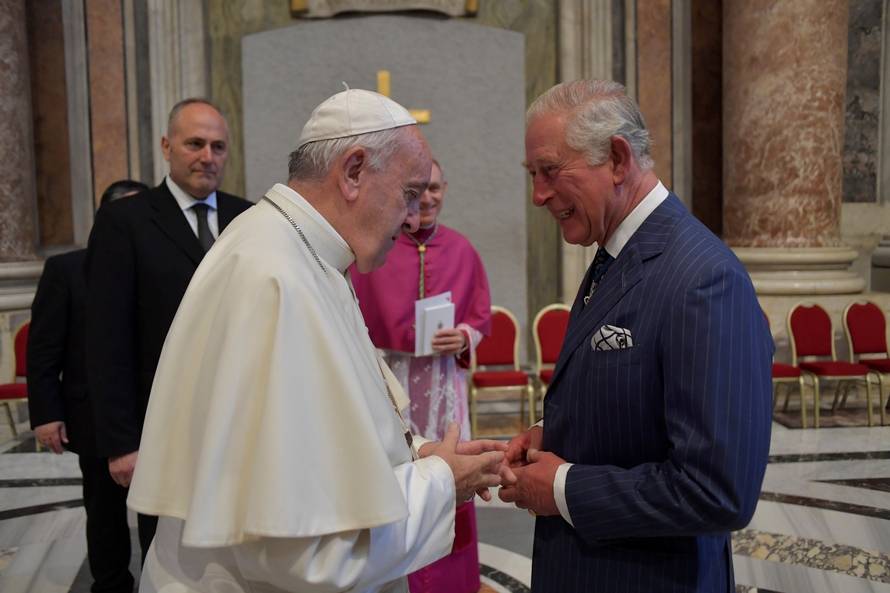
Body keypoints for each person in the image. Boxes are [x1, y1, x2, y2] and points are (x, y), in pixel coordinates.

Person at [126, 88, 505, 593]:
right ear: (353, 171)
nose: (414, 218)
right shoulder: (276, 277)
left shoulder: (304, 252)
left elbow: (336, 423)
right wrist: (441, 483)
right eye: (409, 193)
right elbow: (309, 552)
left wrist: (416, 453)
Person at [499, 79, 773, 592]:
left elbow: (716, 491)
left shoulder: (703, 279)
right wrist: (553, 433)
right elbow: (636, 400)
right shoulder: (615, 254)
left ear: (618, 159)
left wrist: (561, 488)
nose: (538, 195)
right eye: (532, 175)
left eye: (550, 171)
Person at [85, 98, 252, 561]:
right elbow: (105, 339)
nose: (207, 156)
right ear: (166, 146)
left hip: (238, 418)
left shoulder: (249, 217)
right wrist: (122, 442)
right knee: (171, 557)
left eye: (218, 146)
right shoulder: (124, 221)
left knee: (240, 551)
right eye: (195, 144)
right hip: (162, 422)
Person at [351, 158, 491, 593]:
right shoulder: (379, 248)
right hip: (394, 379)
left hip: (444, 384)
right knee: (401, 471)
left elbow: (480, 318)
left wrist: (463, 336)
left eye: (435, 188)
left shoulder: (463, 248)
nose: (428, 198)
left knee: (452, 472)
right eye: (419, 189)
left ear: (445, 189)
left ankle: (452, 581)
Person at [27, 179, 148, 593]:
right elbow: (43, 348)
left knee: (159, 513)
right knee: (105, 512)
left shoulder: (158, 268)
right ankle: (111, 585)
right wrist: (46, 413)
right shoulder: (66, 269)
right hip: (94, 413)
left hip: (153, 411)